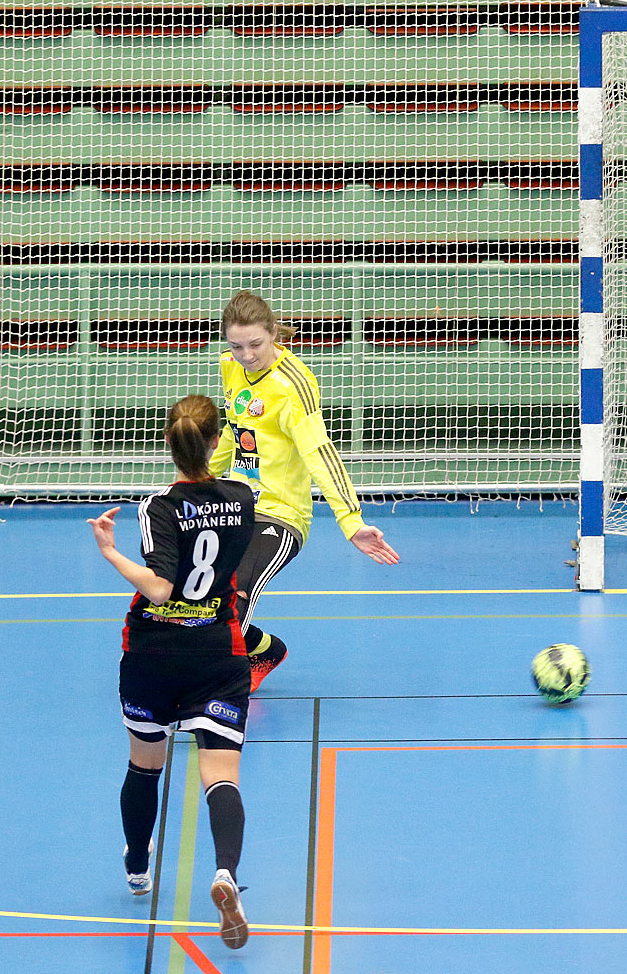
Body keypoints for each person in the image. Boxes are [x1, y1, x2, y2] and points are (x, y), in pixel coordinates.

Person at [88, 394, 255, 949]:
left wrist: (111, 553)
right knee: (221, 775)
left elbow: (159, 586)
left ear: (168, 442)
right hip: (217, 650)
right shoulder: (241, 497)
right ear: (216, 442)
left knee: (145, 765)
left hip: (153, 653)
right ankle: (226, 872)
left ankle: (137, 867)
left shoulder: (157, 506)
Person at [211, 290, 399, 691]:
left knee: (234, 596)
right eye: (236, 345)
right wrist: (196, 483)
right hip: (233, 505)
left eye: (255, 344)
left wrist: (352, 521)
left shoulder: (293, 383)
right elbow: (234, 429)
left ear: (274, 333)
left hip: (279, 516)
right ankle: (263, 650)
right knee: (197, 593)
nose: (246, 355)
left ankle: (212, 688)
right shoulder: (229, 366)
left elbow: (319, 453)